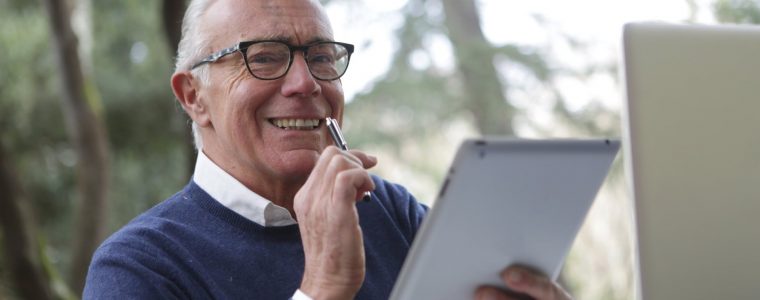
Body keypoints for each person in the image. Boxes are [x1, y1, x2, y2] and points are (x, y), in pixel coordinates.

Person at [83, 0, 573, 299]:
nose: (305, 82)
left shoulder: (388, 211)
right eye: (265, 58)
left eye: (320, 57)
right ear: (194, 97)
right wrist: (322, 287)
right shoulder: (138, 267)